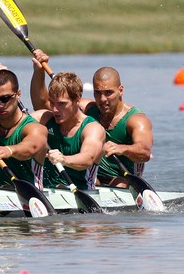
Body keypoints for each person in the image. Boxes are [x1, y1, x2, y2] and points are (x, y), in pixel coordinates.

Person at [30, 50, 153, 188]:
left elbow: (145, 152)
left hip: (122, 179)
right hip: (91, 176)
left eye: (108, 93)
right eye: (98, 93)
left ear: (121, 90)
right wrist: (39, 72)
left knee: (120, 184)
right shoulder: (87, 107)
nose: (102, 99)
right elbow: (44, 105)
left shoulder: (136, 119)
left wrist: (121, 148)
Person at [30, 66, 105, 191]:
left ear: (77, 99)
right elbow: (16, 122)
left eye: (61, 104)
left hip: (81, 191)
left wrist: (63, 159)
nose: (54, 109)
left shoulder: (92, 129)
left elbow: (88, 158)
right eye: (52, 103)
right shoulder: (45, 118)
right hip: (47, 190)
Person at [0, 68, 48, 190]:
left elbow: (32, 146)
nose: (0, 104)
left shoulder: (33, 128)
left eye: (6, 98)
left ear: (18, 94)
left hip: (31, 197)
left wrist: (9, 150)